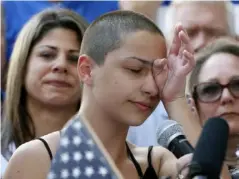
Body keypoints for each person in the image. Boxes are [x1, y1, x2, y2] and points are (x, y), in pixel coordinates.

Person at [4, 10, 197, 179]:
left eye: (157, 73)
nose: (151, 88)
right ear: (87, 70)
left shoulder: (156, 162)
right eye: (135, 69)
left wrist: (175, 98)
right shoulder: (35, 159)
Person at [127, 0, 237, 147]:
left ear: (235, 40)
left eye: (213, 33)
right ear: (167, 44)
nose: (201, 44)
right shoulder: (137, 117)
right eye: (188, 34)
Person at [1, 8, 88, 175]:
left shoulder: (112, 156)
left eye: (74, 58)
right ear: (22, 65)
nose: (60, 65)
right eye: (47, 54)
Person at [188, 38, 239, 177]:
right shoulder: (172, 166)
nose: (226, 97)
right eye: (210, 90)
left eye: (237, 85)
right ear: (193, 107)